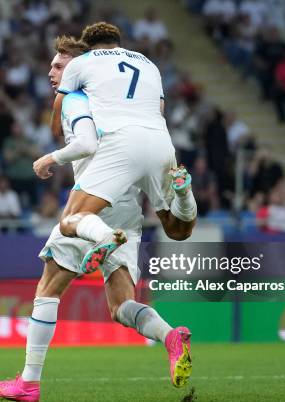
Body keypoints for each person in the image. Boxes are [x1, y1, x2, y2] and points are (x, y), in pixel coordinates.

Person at [0, 34, 196, 402]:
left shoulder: (79, 97)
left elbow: (85, 143)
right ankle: (170, 336)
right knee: (120, 306)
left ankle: (28, 383)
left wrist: (50, 157)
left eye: (58, 64)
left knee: (48, 288)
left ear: (79, 65)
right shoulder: (120, 95)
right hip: (128, 203)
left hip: (97, 202)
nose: (51, 71)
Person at [46, 22, 196, 276]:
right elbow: (159, 111)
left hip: (120, 143)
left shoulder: (82, 63)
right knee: (178, 229)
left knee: (72, 218)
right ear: (118, 42)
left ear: (88, 46)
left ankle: (105, 236)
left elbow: (60, 116)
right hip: (160, 141)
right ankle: (185, 194)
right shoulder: (149, 64)